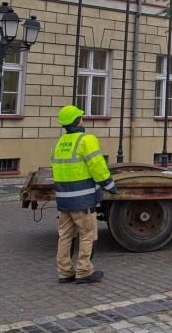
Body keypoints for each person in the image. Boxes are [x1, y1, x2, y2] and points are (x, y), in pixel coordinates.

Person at [51, 104, 117, 284]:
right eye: (81, 116)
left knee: (65, 235)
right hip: (83, 199)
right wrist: (109, 184)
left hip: (63, 199)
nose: (83, 119)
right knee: (87, 234)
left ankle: (65, 272)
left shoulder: (58, 143)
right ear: (77, 120)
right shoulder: (86, 140)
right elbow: (97, 165)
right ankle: (84, 270)